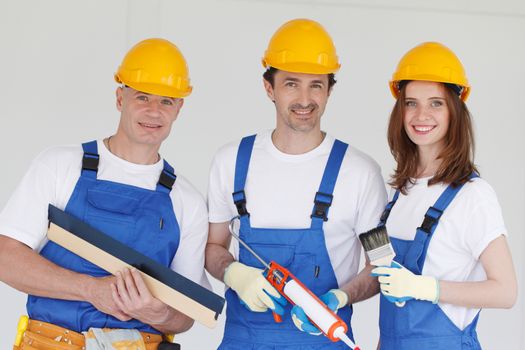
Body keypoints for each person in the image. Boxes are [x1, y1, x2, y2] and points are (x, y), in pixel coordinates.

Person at [0, 38, 209, 349]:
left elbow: (186, 315)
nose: (154, 111)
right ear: (119, 98)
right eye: (142, 97)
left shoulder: (186, 201)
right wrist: (90, 289)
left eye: (166, 101)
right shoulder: (59, 166)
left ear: (179, 108)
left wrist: (158, 313)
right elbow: (6, 257)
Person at [205, 18, 387, 349]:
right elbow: (214, 246)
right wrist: (235, 274)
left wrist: (340, 298)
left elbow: (382, 266)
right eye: (291, 84)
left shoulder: (362, 172)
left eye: (316, 85)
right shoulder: (231, 162)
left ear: (330, 89)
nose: (305, 99)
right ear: (269, 87)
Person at [372, 42, 518, 349]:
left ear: (455, 109)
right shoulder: (398, 193)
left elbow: (505, 292)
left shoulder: (472, 196)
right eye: (411, 103)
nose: (421, 114)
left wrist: (424, 287)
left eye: (435, 103)